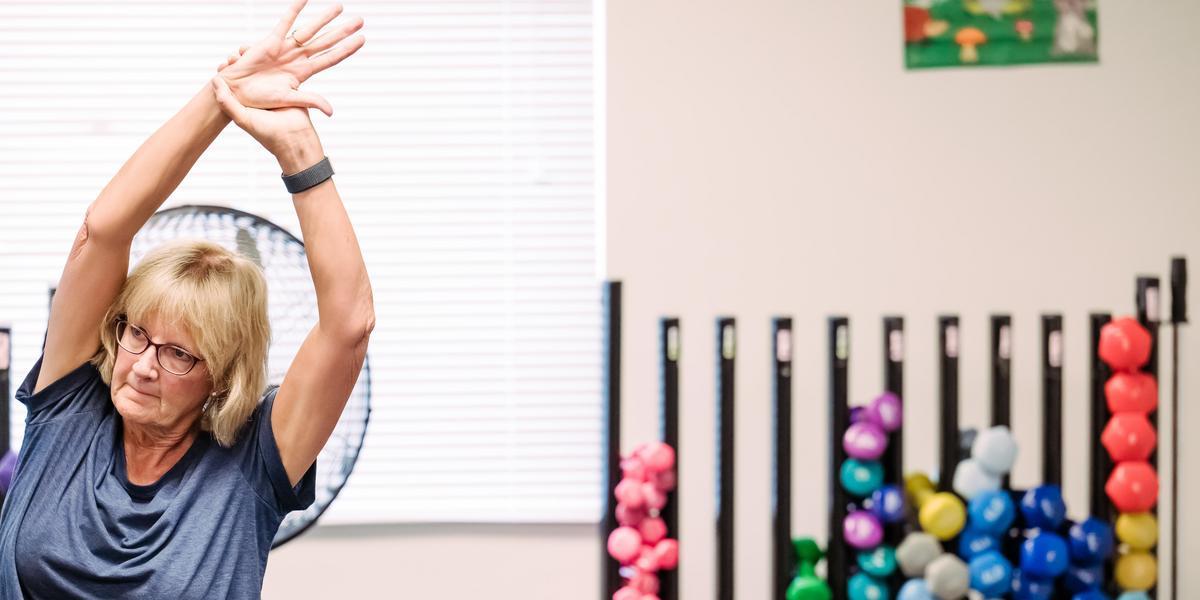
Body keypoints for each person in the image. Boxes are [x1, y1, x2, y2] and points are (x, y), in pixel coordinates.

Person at [0, 1, 373, 597]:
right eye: (137, 334)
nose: (143, 365)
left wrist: (296, 146)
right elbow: (103, 232)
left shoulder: (254, 463)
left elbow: (348, 325)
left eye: (179, 355)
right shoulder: (68, 403)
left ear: (222, 379)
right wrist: (222, 97)